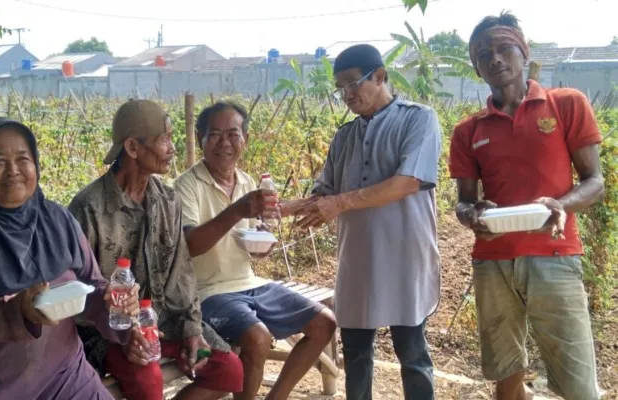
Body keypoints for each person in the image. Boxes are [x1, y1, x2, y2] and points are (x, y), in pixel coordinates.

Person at [0, 117, 139, 400]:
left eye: (23, 159)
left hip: (62, 377)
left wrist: (114, 302)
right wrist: (15, 311)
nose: (13, 171)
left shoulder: (59, 220)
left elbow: (91, 286)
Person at [449, 12, 605, 400]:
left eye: (504, 48)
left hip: (554, 253)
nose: (495, 58)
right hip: (493, 260)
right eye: (484, 53)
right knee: (505, 373)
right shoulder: (468, 131)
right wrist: (472, 215)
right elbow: (464, 202)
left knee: (578, 382)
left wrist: (561, 204)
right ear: (476, 66)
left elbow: (594, 182)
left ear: (523, 52)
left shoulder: (566, 105)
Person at [293, 44, 442, 400]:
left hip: (405, 255)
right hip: (358, 259)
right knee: (357, 353)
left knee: (413, 354)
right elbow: (324, 194)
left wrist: (340, 202)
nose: (346, 95)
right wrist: (276, 207)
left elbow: (407, 182)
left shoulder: (418, 118)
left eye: (352, 84)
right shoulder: (345, 136)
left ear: (379, 76)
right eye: (339, 88)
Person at [68, 99, 243, 400]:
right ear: (133, 148)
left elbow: (182, 272)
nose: (172, 148)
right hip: (108, 331)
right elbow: (78, 290)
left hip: (164, 320)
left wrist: (192, 328)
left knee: (229, 370)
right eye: (164, 139)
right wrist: (125, 333)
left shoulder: (167, 200)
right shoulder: (89, 208)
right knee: (149, 381)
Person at [173, 100, 337, 400]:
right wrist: (237, 209)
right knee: (258, 339)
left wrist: (261, 245)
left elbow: (249, 239)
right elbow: (190, 246)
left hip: (250, 283)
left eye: (233, 134)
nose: (225, 143)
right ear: (200, 139)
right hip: (207, 291)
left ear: (244, 140)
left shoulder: (247, 182)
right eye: (215, 134)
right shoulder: (186, 186)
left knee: (325, 323)